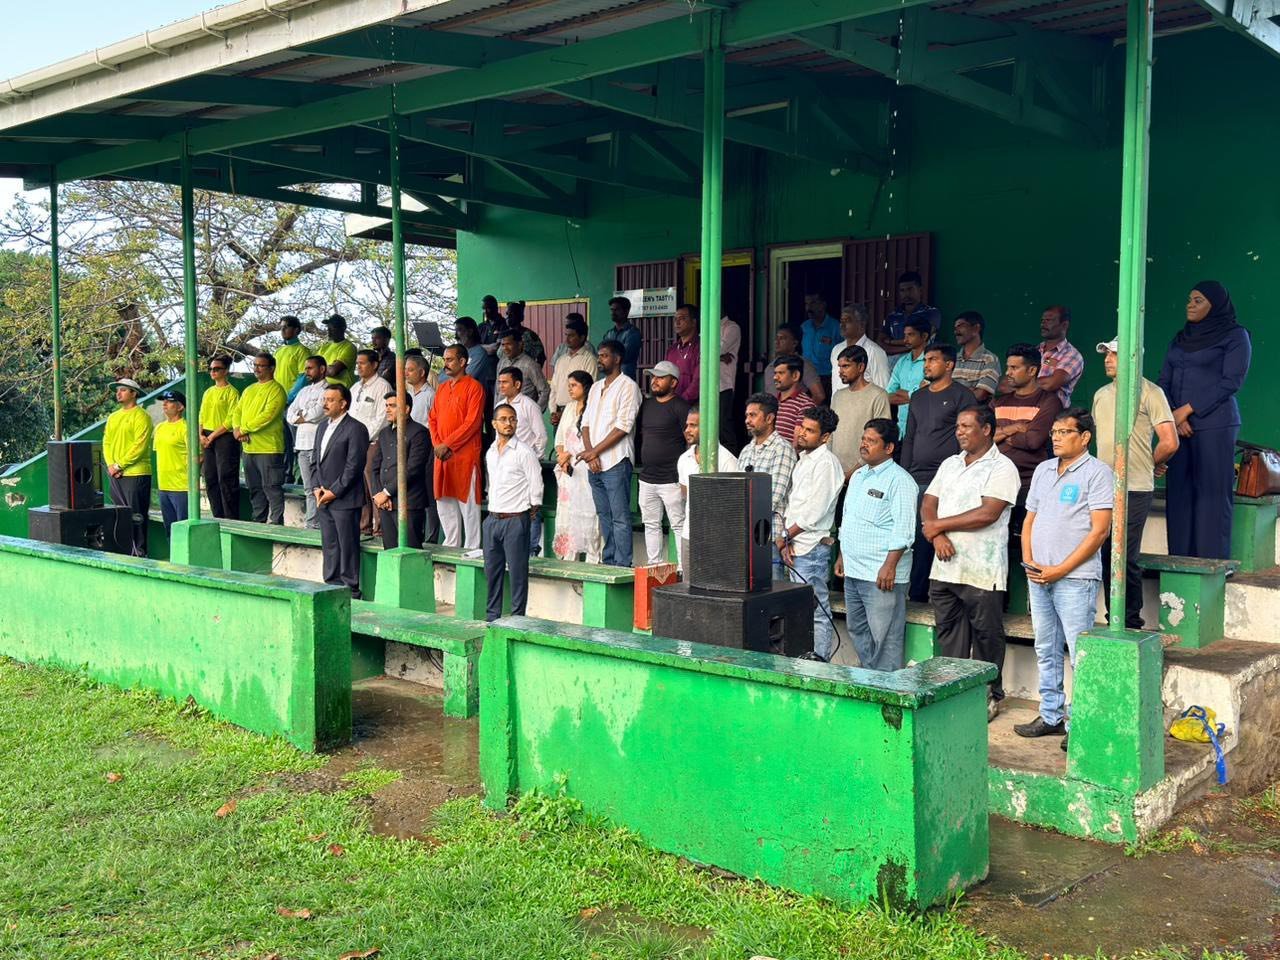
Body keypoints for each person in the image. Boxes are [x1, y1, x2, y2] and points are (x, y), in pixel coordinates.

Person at [1014, 408, 1114, 750]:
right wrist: (1029, 561)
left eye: (1064, 432)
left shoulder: (1098, 473)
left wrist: (1061, 568)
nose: (1055, 437)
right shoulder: (1043, 469)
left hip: (1075, 578)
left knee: (1078, 651)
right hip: (1038, 575)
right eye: (1054, 431)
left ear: (1084, 437)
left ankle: (1079, 724)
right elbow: (1029, 519)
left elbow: (1099, 531)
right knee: (1046, 648)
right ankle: (1052, 716)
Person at [922, 406, 1021, 720]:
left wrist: (939, 525)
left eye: (966, 426)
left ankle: (988, 695)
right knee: (949, 633)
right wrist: (936, 535)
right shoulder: (950, 463)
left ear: (987, 429)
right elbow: (929, 502)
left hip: (982, 569)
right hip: (944, 565)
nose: (959, 431)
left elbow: (988, 513)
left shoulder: (1002, 467)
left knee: (986, 635)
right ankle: (953, 693)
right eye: (957, 426)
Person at [1159, 281, 1252, 560]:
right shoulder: (1179, 339)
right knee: (1179, 494)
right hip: (1176, 426)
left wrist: (1187, 409)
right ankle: (1181, 560)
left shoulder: (1235, 335)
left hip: (1216, 424)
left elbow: (1231, 381)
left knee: (1212, 494)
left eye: (1198, 300)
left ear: (1215, 305)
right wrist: (1174, 417)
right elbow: (1163, 381)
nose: (1190, 304)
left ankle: (1211, 562)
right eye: (1189, 299)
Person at [1092, 337, 1178, 628]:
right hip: (1103, 485)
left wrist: (1149, 464)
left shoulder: (1150, 392)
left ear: (1131, 358)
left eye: (1114, 354)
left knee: (1124, 555)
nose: (1107, 359)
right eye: (1106, 354)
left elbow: (1169, 441)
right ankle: (1112, 615)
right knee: (1105, 552)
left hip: (1135, 487)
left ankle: (1129, 620)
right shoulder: (1101, 394)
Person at [836, 418, 916, 671]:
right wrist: (841, 555)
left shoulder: (900, 480)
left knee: (886, 638)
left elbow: (904, 530)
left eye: (871, 441)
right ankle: (872, 683)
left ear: (889, 447)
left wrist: (889, 566)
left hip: (881, 575)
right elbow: (848, 519)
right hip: (854, 570)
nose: (864, 445)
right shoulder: (858, 476)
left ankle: (887, 693)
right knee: (857, 630)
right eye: (863, 439)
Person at [901, 344, 978, 601]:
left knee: (944, 536)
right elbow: (909, 437)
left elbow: (965, 438)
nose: (927, 364)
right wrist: (904, 474)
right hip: (916, 477)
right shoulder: (918, 396)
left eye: (933, 360)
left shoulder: (962, 396)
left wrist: (960, 474)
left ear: (949, 365)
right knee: (917, 538)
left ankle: (945, 597)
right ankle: (917, 595)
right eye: (926, 360)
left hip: (948, 479)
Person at [780, 406, 845, 661]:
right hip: (795, 544)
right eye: (802, 428)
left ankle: (820, 662)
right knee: (799, 608)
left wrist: (786, 537)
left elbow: (813, 513)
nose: (802, 434)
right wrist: (785, 541)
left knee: (817, 609)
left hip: (812, 547)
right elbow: (793, 505)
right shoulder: (803, 460)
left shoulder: (827, 464)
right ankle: (804, 658)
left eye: (810, 430)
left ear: (825, 437)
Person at [994, 344, 1062, 577]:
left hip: (1029, 483)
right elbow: (984, 441)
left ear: (1032, 370)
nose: (1008, 373)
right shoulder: (999, 402)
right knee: (996, 543)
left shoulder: (1049, 401)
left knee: (1029, 544)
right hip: (996, 483)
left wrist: (1001, 436)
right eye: (1008, 367)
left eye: (1014, 368)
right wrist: (1013, 429)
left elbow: (1034, 441)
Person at [579, 340, 643, 567]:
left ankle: (622, 564)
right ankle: (609, 561)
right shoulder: (596, 387)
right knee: (604, 516)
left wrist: (594, 452)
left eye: (604, 355)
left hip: (616, 462)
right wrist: (591, 454)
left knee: (620, 518)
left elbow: (623, 427)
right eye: (600, 355)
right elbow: (585, 424)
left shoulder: (628, 386)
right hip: (593, 463)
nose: (600, 359)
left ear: (617, 359)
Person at [483, 403, 544, 621]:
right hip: (492, 519)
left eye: (513, 419)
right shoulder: (490, 452)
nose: (509, 424)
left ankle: (518, 619)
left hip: (515, 519)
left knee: (518, 573)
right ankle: (492, 618)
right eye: (504, 419)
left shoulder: (524, 452)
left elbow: (536, 487)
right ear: (494, 423)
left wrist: (528, 513)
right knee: (492, 573)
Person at [313, 384, 370, 597]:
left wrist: (334, 491)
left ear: (343, 403)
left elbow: (353, 466)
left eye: (330, 399)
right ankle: (331, 585)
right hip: (323, 496)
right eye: (324, 399)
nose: (324, 403)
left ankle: (350, 590)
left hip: (344, 499)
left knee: (347, 546)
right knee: (329, 544)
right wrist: (316, 488)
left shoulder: (356, 428)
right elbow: (315, 461)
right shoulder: (321, 427)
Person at [429, 344, 486, 549]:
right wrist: (437, 444)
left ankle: (472, 548)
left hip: (465, 455)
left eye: (450, 359)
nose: (446, 364)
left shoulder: (474, 387)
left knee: (469, 504)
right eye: (444, 360)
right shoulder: (442, 387)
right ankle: (451, 544)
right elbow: (432, 418)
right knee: (443, 500)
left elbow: (472, 423)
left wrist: (448, 444)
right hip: (442, 454)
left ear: (462, 362)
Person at [737, 393, 798, 580]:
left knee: (771, 596)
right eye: (747, 415)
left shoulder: (782, 449)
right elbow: (735, 491)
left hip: (769, 536)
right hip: (745, 534)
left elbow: (773, 497)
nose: (747, 420)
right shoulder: (746, 450)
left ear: (770, 418)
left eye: (753, 415)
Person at [636, 360, 690, 566]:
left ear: (673, 382)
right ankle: (654, 568)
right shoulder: (647, 405)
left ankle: (685, 572)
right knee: (650, 524)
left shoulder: (681, 406)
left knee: (678, 525)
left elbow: (690, 442)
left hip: (671, 480)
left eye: (660, 377)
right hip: (647, 478)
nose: (655, 381)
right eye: (653, 377)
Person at [676, 405, 739, 570]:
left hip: (719, 538)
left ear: (708, 427)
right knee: (689, 586)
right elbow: (685, 494)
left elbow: (733, 504)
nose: (687, 430)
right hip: (689, 534)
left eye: (693, 425)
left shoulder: (726, 460)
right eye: (687, 425)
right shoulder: (684, 459)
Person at [497, 365, 548, 555]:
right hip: (505, 466)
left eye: (505, 382)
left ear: (517, 384)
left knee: (531, 509)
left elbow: (541, 436)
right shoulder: (499, 406)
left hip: (525, 465)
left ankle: (532, 549)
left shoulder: (529, 405)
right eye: (499, 382)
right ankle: (513, 548)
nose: (501, 386)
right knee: (510, 506)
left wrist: (534, 459)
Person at [553, 370, 603, 564]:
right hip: (568, 470)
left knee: (588, 513)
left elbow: (592, 440)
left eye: (574, 385)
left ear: (585, 387)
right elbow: (560, 439)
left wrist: (572, 455)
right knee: (567, 512)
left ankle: (592, 558)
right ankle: (569, 558)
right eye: (569, 386)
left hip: (586, 468)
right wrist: (563, 456)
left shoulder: (593, 408)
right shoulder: (568, 408)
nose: (570, 389)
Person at [371, 392, 433, 550]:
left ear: (406, 409)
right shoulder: (384, 433)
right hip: (385, 504)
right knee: (389, 550)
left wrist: (387, 492)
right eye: (386, 406)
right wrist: (380, 495)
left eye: (392, 406)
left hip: (409, 503)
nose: (387, 410)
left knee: (410, 551)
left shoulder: (419, 432)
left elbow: (413, 469)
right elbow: (375, 467)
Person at [231, 352, 288, 525]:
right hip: (249, 449)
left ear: (272, 368)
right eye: (255, 365)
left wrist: (244, 429)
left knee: (271, 488)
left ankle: (276, 523)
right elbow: (237, 411)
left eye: (261, 365)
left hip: (269, 449)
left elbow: (268, 416)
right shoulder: (249, 389)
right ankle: (259, 521)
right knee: (254, 489)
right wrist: (236, 429)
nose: (256, 368)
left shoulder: (277, 390)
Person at [102, 378, 154, 556]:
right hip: (115, 474)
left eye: (123, 390)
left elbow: (139, 446)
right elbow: (106, 442)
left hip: (136, 474)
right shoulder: (113, 417)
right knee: (119, 514)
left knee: (136, 515)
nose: (118, 393)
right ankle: (124, 549)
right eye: (118, 390)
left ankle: (139, 552)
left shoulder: (142, 416)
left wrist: (119, 465)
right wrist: (111, 465)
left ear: (134, 393)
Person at [829, 345, 892, 478]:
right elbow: (830, 435)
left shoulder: (878, 395)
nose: (840, 371)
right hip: (834, 472)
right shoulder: (838, 396)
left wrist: (855, 470)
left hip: (865, 473)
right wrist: (830, 467)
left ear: (860, 367)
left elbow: (881, 437)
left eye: (846, 366)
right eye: (839, 367)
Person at [351, 349, 393, 536]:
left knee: (372, 484)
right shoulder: (355, 388)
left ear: (375, 365)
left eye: (363, 363)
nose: (358, 366)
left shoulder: (382, 386)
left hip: (373, 442)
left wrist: (362, 437)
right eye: (357, 363)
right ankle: (364, 526)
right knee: (358, 486)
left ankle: (380, 528)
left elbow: (382, 418)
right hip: (354, 444)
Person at [287, 355, 329, 529]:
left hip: (317, 445)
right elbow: (290, 414)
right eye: (306, 368)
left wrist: (303, 415)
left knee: (319, 487)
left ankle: (317, 524)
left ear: (322, 369)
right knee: (308, 488)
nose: (307, 372)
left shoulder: (327, 390)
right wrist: (302, 417)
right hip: (302, 444)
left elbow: (317, 413)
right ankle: (311, 523)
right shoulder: (304, 391)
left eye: (310, 368)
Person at [1015, 305, 1083, 407]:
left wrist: (1020, 383)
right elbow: (1005, 384)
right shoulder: (1034, 350)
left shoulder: (1072, 355)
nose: (1043, 323)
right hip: (1024, 410)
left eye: (1049, 320)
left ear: (1064, 325)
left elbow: (1051, 384)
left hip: (1052, 416)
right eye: (1042, 320)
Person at [198, 356, 240, 520]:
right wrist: (201, 434)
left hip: (224, 436)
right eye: (211, 369)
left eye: (216, 369)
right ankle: (217, 515)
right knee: (210, 477)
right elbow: (201, 414)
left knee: (226, 477)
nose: (213, 372)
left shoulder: (232, 392)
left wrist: (213, 435)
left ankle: (230, 517)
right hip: (207, 436)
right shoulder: (208, 392)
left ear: (226, 371)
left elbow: (231, 419)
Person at [275, 315, 309, 483]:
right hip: (277, 404)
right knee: (283, 442)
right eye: (281, 327)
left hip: (293, 404)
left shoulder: (302, 351)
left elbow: (303, 377)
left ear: (296, 330)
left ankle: (301, 476)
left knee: (296, 440)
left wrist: (288, 398)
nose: (283, 330)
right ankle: (287, 474)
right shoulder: (279, 351)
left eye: (286, 327)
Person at [549, 316, 598, 427]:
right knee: (559, 444)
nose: (567, 339)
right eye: (566, 335)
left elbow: (588, 390)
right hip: (558, 412)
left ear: (582, 337)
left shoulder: (589, 360)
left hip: (577, 412)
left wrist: (568, 412)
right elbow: (553, 389)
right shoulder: (561, 360)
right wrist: (553, 412)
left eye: (571, 336)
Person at [829, 302, 890, 390]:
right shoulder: (836, 349)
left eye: (848, 321)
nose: (842, 325)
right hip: (839, 403)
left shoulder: (874, 351)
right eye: (841, 321)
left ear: (861, 324)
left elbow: (883, 389)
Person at [885, 318, 931, 434]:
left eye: (911, 335)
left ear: (924, 336)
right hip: (902, 428)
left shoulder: (931, 361)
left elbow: (927, 394)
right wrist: (914, 395)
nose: (905, 339)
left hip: (924, 428)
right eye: (905, 335)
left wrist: (902, 393)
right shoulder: (902, 362)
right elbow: (887, 396)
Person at [153, 389, 189, 535]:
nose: (165, 404)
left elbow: (199, 456)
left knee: (183, 528)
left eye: (170, 401)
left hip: (182, 487)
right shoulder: (160, 428)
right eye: (164, 401)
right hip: (164, 485)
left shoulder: (186, 428)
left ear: (180, 407)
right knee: (169, 529)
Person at [881, 271, 942, 355]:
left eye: (910, 289)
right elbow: (880, 343)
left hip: (923, 359)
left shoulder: (931, 313)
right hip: (895, 360)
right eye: (902, 290)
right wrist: (908, 349)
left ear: (920, 290)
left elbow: (921, 339)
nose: (906, 294)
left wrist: (890, 341)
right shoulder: (893, 316)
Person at [766, 325, 825, 405]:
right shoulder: (770, 367)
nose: (777, 341)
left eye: (782, 338)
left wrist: (801, 415)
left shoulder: (803, 365)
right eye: (776, 338)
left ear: (794, 343)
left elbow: (819, 395)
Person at [951, 311, 1001, 403]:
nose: (955, 332)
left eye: (960, 326)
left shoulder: (990, 359)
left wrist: (951, 395)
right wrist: (969, 391)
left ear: (976, 328)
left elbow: (980, 395)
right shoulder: (952, 358)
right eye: (955, 328)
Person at [800, 292, 841, 399]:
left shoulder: (836, 327)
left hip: (828, 378)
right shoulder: (804, 327)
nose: (809, 307)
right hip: (806, 378)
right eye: (806, 304)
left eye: (813, 303)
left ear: (823, 305)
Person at [498, 329, 550, 410]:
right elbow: (498, 391)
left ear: (520, 344)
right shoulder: (502, 362)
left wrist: (535, 412)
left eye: (508, 344)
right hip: (503, 415)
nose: (505, 348)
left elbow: (545, 390)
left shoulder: (530, 365)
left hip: (523, 416)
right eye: (503, 345)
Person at [455, 316, 496, 415]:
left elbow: (465, 378)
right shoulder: (460, 352)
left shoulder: (479, 353)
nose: (456, 335)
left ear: (469, 332)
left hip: (473, 404)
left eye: (459, 330)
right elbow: (442, 377)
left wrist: (451, 378)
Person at [771, 355, 813, 449]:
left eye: (781, 373)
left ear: (795, 376)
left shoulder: (806, 405)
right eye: (775, 373)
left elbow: (797, 444)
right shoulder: (772, 402)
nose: (775, 377)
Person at [665, 304, 700, 405]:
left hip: (694, 407)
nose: (677, 322)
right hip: (672, 405)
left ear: (693, 322)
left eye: (682, 318)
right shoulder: (671, 350)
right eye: (675, 319)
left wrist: (681, 402)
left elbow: (698, 381)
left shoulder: (701, 347)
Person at [601, 296, 642, 380]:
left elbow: (624, 357)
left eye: (616, 310)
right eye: (612, 310)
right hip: (609, 379)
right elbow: (602, 356)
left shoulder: (633, 333)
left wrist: (608, 355)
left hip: (625, 379)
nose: (613, 312)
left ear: (626, 311)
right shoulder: (609, 334)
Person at [718, 313, 741, 451]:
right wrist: (718, 356)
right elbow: (700, 352)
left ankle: (730, 461)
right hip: (706, 385)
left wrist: (716, 354)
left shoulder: (731, 327)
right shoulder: (706, 327)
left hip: (723, 384)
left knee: (723, 425)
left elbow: (718, 349)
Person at [499, 301, 546, 367]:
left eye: (511, 314)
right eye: (507, 314)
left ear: (519, 317)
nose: (508, 317)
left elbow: (541, 357)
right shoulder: (504, 335)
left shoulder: (529, 335)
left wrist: (533, 371)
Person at [319, 314, 357, 387]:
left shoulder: (349, 347)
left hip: (340, 391)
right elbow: (312, 367)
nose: (329, 330)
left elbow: (333, 371)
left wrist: (318, 369)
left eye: (332, 327)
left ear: (342, 328)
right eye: (328, 327)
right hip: (321, 390)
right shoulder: (325, 347)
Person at [404, 353, 436, 428]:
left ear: (422, 372)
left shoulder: (431, 395)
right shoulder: (409, 393)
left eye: (410, 370)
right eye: (405, 369)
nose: (406, 373)